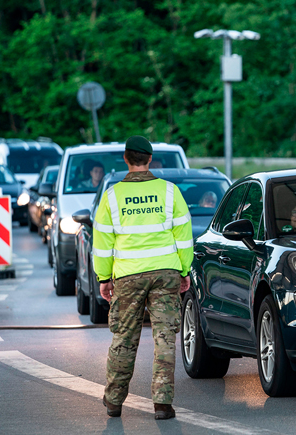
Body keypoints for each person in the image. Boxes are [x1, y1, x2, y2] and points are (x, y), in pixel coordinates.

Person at [93, 136, 193, 420]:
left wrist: (104, 277)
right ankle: (162, 404)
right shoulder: (170, 192)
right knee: (164, 338)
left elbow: (101, 243)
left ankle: (113, 401)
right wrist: (184, 270)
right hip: (165, 273)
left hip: (128, 276)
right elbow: (184, 237)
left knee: (124, 337)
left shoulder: (112, 196)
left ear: (126, 158)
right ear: (150, 159)